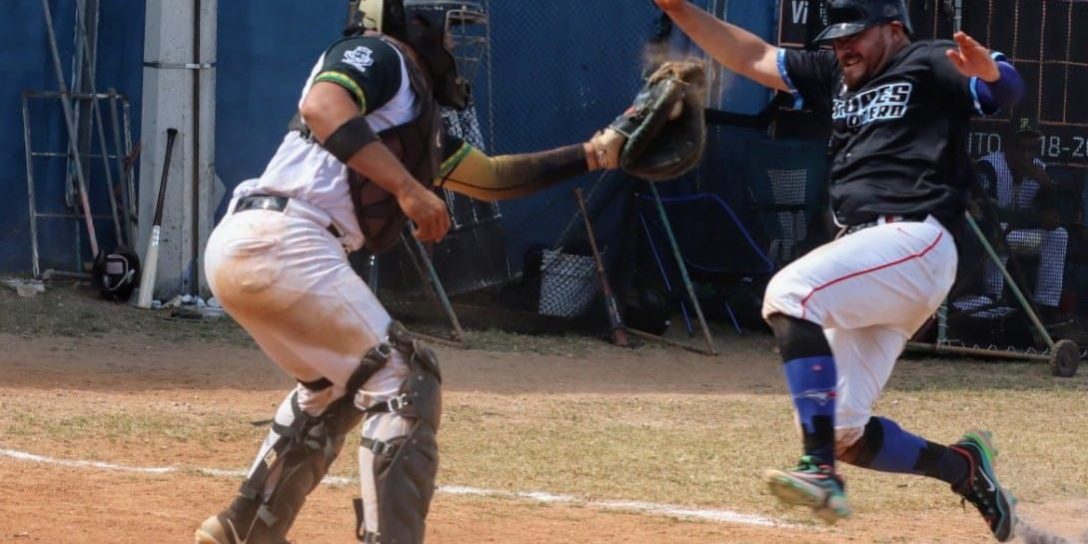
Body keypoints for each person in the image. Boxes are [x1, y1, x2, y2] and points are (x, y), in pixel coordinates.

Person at [193, 1, 629, 542]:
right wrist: (406, 189)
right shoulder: (382, 54)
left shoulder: (405, 115)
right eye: (448, 25)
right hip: (287, 242)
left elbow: (492, 179)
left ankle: (241, 528)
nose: (453, 42)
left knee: (333, 389)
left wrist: (595, 154)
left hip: (257, 244)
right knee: (406, 377)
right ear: (409, 18)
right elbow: (323, 105)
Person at [654, 0, 1023, 540]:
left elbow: (1005, 92)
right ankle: (962, 468)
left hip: (916, 236)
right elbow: (751, 54)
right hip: (872, 257)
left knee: (789, 292)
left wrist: (990, 72)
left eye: (855, 35)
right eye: (835, 38)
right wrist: (680, 10)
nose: (841, 47)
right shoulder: (834, 74)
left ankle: (818, 472)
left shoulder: (927, 60)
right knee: (846, 431)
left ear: (894, 30)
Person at [971, 115, 1083, 339]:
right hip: (986, 239)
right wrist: (1035, 218)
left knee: (1058, 236)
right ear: (1007, 147)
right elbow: (987, 214)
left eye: (1031, 150)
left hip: (1019, 237)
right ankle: (993, 296)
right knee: (998, 229)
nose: (1026, 156)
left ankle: (1046, 308)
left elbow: (1056, 217)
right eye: (1020, 149)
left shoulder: (1041, 171)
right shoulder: (989, 167)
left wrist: (1049, 188)